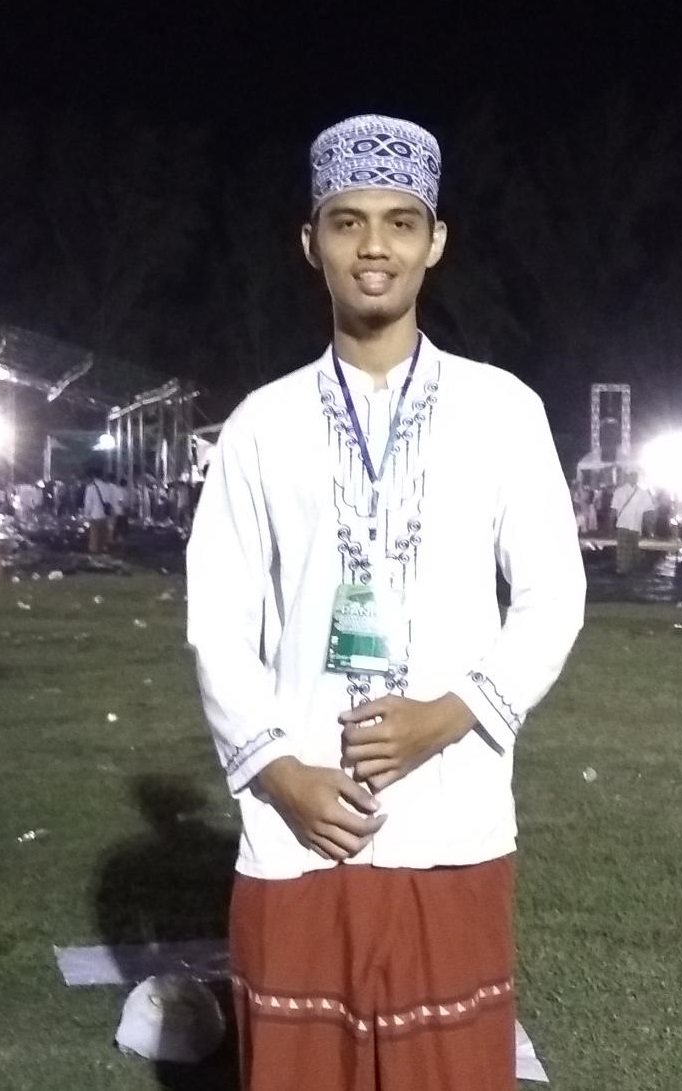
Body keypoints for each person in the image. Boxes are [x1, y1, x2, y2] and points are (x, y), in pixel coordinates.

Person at [186, 113, 585, 1091]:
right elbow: (218, 617)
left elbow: (552, 593)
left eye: (400, 222)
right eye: (348, 222)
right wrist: (279, 772)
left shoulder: (501, 410)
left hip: (451, 810)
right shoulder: (261, 424)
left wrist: (447, 715)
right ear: (310, 242)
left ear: (434, 241)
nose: (374, 246)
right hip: (299, 823)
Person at [611, 471, 655, 574]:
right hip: (623, 524)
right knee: (623, 548)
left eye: (635, 476)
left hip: (635, 525)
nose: (634, 478)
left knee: (633, 548)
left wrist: (649, 527)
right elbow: (613, 509)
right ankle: (623, 569)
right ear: (628, 477)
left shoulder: (642, 493)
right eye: (632, 475)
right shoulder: (619, 491)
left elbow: (649, 510)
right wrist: (611, 526)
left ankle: (630, 569)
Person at [84, 468, 114, 553]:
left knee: (94, 540)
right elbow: (111, 502)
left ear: (93, 476)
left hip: (94, 516)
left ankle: (95, 556)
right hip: (105, 516)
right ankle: (103, 553)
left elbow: (88, 503)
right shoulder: (108, 487)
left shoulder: (90, 488)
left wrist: (86, 515)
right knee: (103, 539)